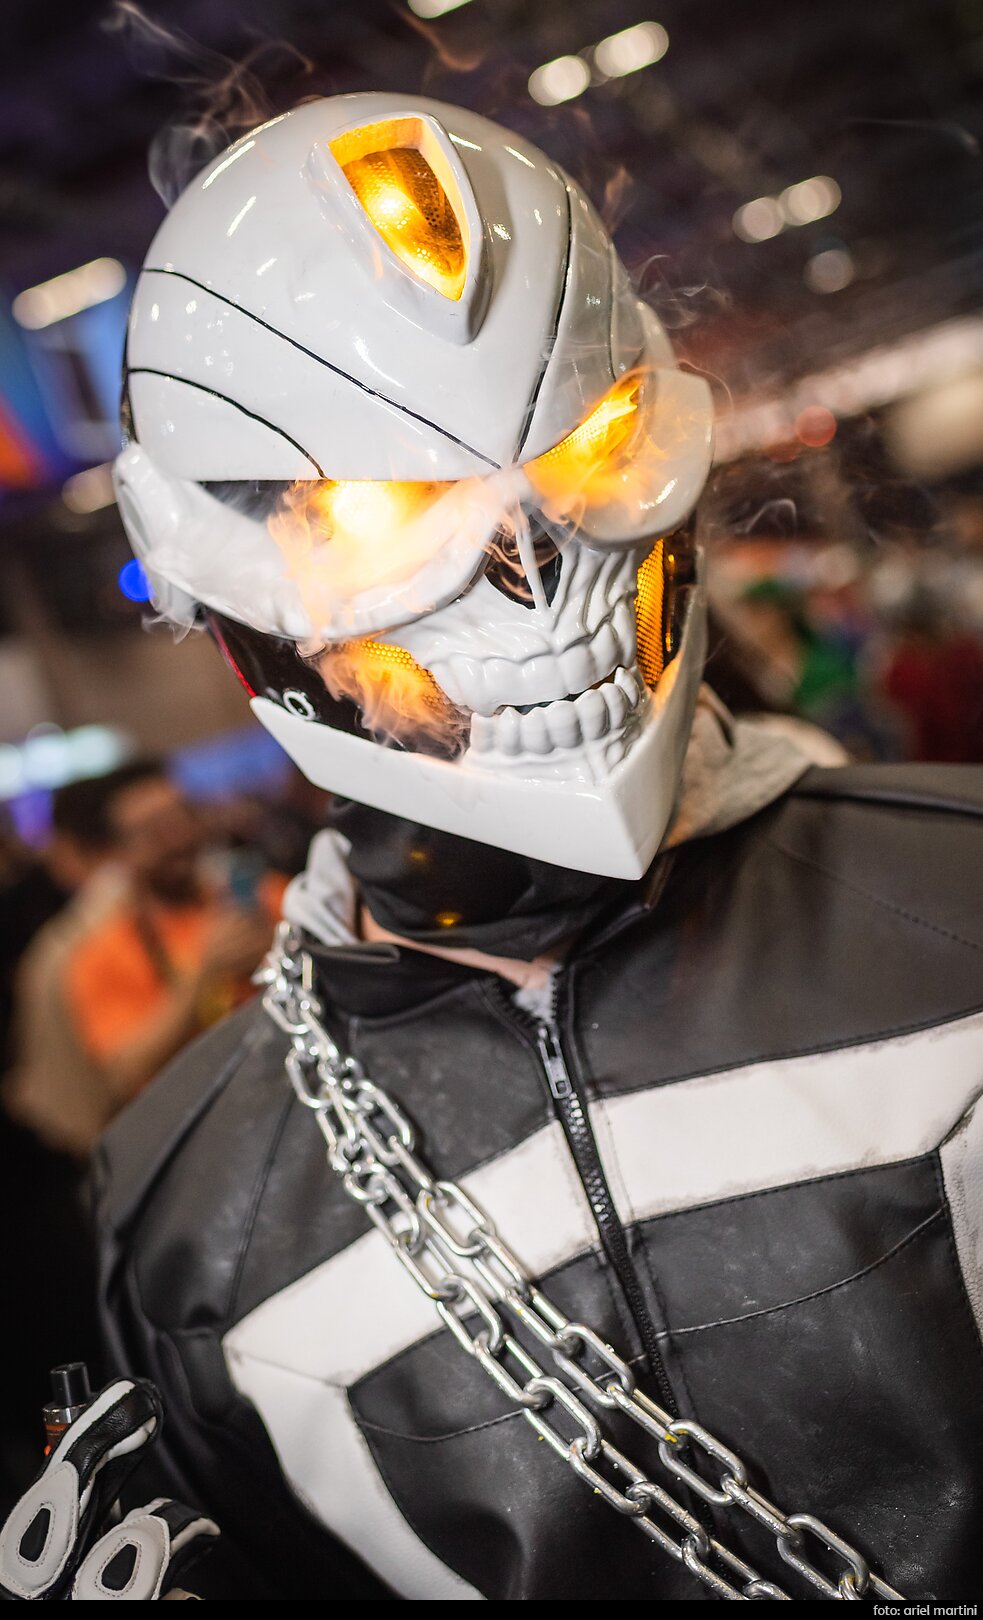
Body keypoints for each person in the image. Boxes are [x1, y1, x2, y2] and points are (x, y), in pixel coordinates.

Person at [4, 93, 981, 1603]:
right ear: (221, 576)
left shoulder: (955, 897)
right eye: (384, 514)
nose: (530, 568)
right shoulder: (195, 1221)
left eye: (586, 451)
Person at [63, 762, 283, 1106]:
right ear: (119, 850)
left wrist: (279, 950)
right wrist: (206, 973)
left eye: (182, 818)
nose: (178, 839)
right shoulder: (101, 955)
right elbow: (124, 1070)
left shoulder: (262, 895)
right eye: (154, 832)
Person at [5, 771, 130, 1156]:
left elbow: (61, 1108)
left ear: (65, 846)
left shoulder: (55, 951)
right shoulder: (215, 900)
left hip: (115, 1147)